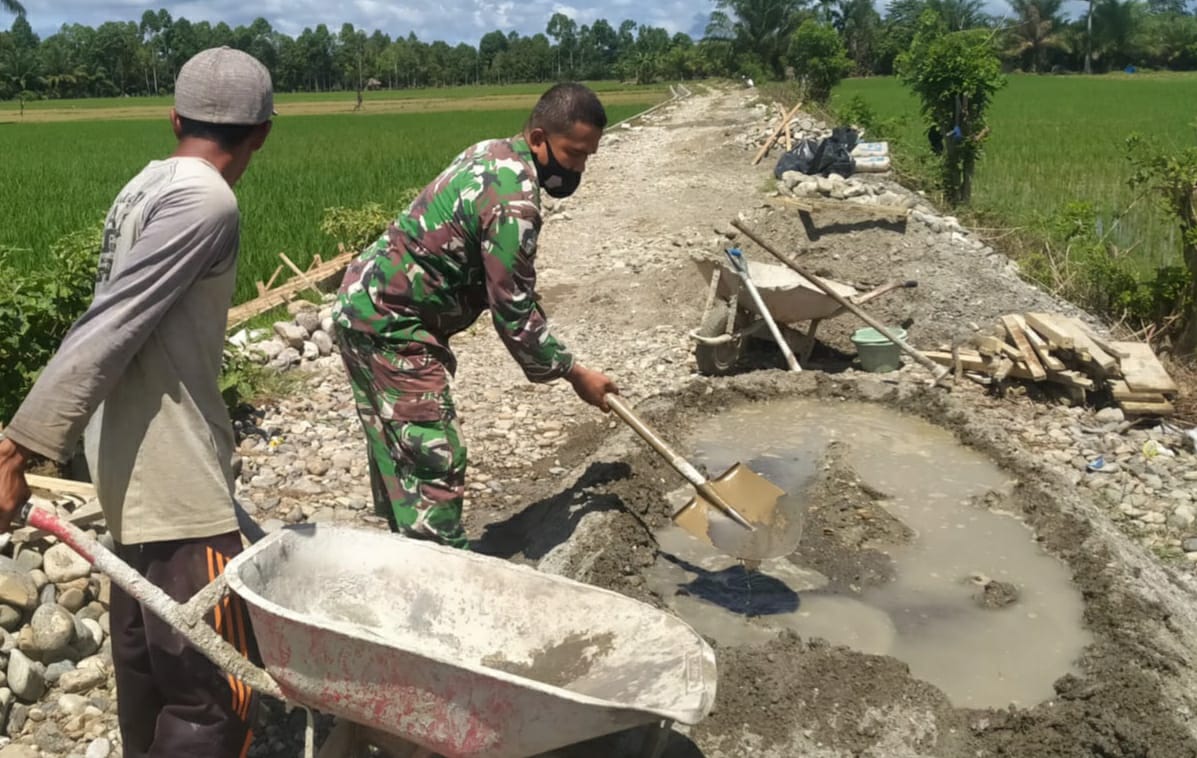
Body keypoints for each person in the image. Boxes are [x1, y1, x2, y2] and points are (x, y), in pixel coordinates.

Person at [0, 47, 274, 758]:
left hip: (128, 466)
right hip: (180, 475)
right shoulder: (209, 200)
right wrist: (17, 445)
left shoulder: (147, 184)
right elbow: (113, 325)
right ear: (262, 133)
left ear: (175, 117)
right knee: (214, 693)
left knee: (149, 669)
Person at [333, 82, 618, 550]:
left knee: (398, 450)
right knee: (433, 457)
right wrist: (575, 374)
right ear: (541, 138)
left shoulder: (492, 151)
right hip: (392, 327)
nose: (577, 166)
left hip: (362, 304)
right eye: (573, 152)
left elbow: (508, 286)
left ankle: (407, 556)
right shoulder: (515, 203)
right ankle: (444, 578)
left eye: (588, 155)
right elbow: (514, 316)